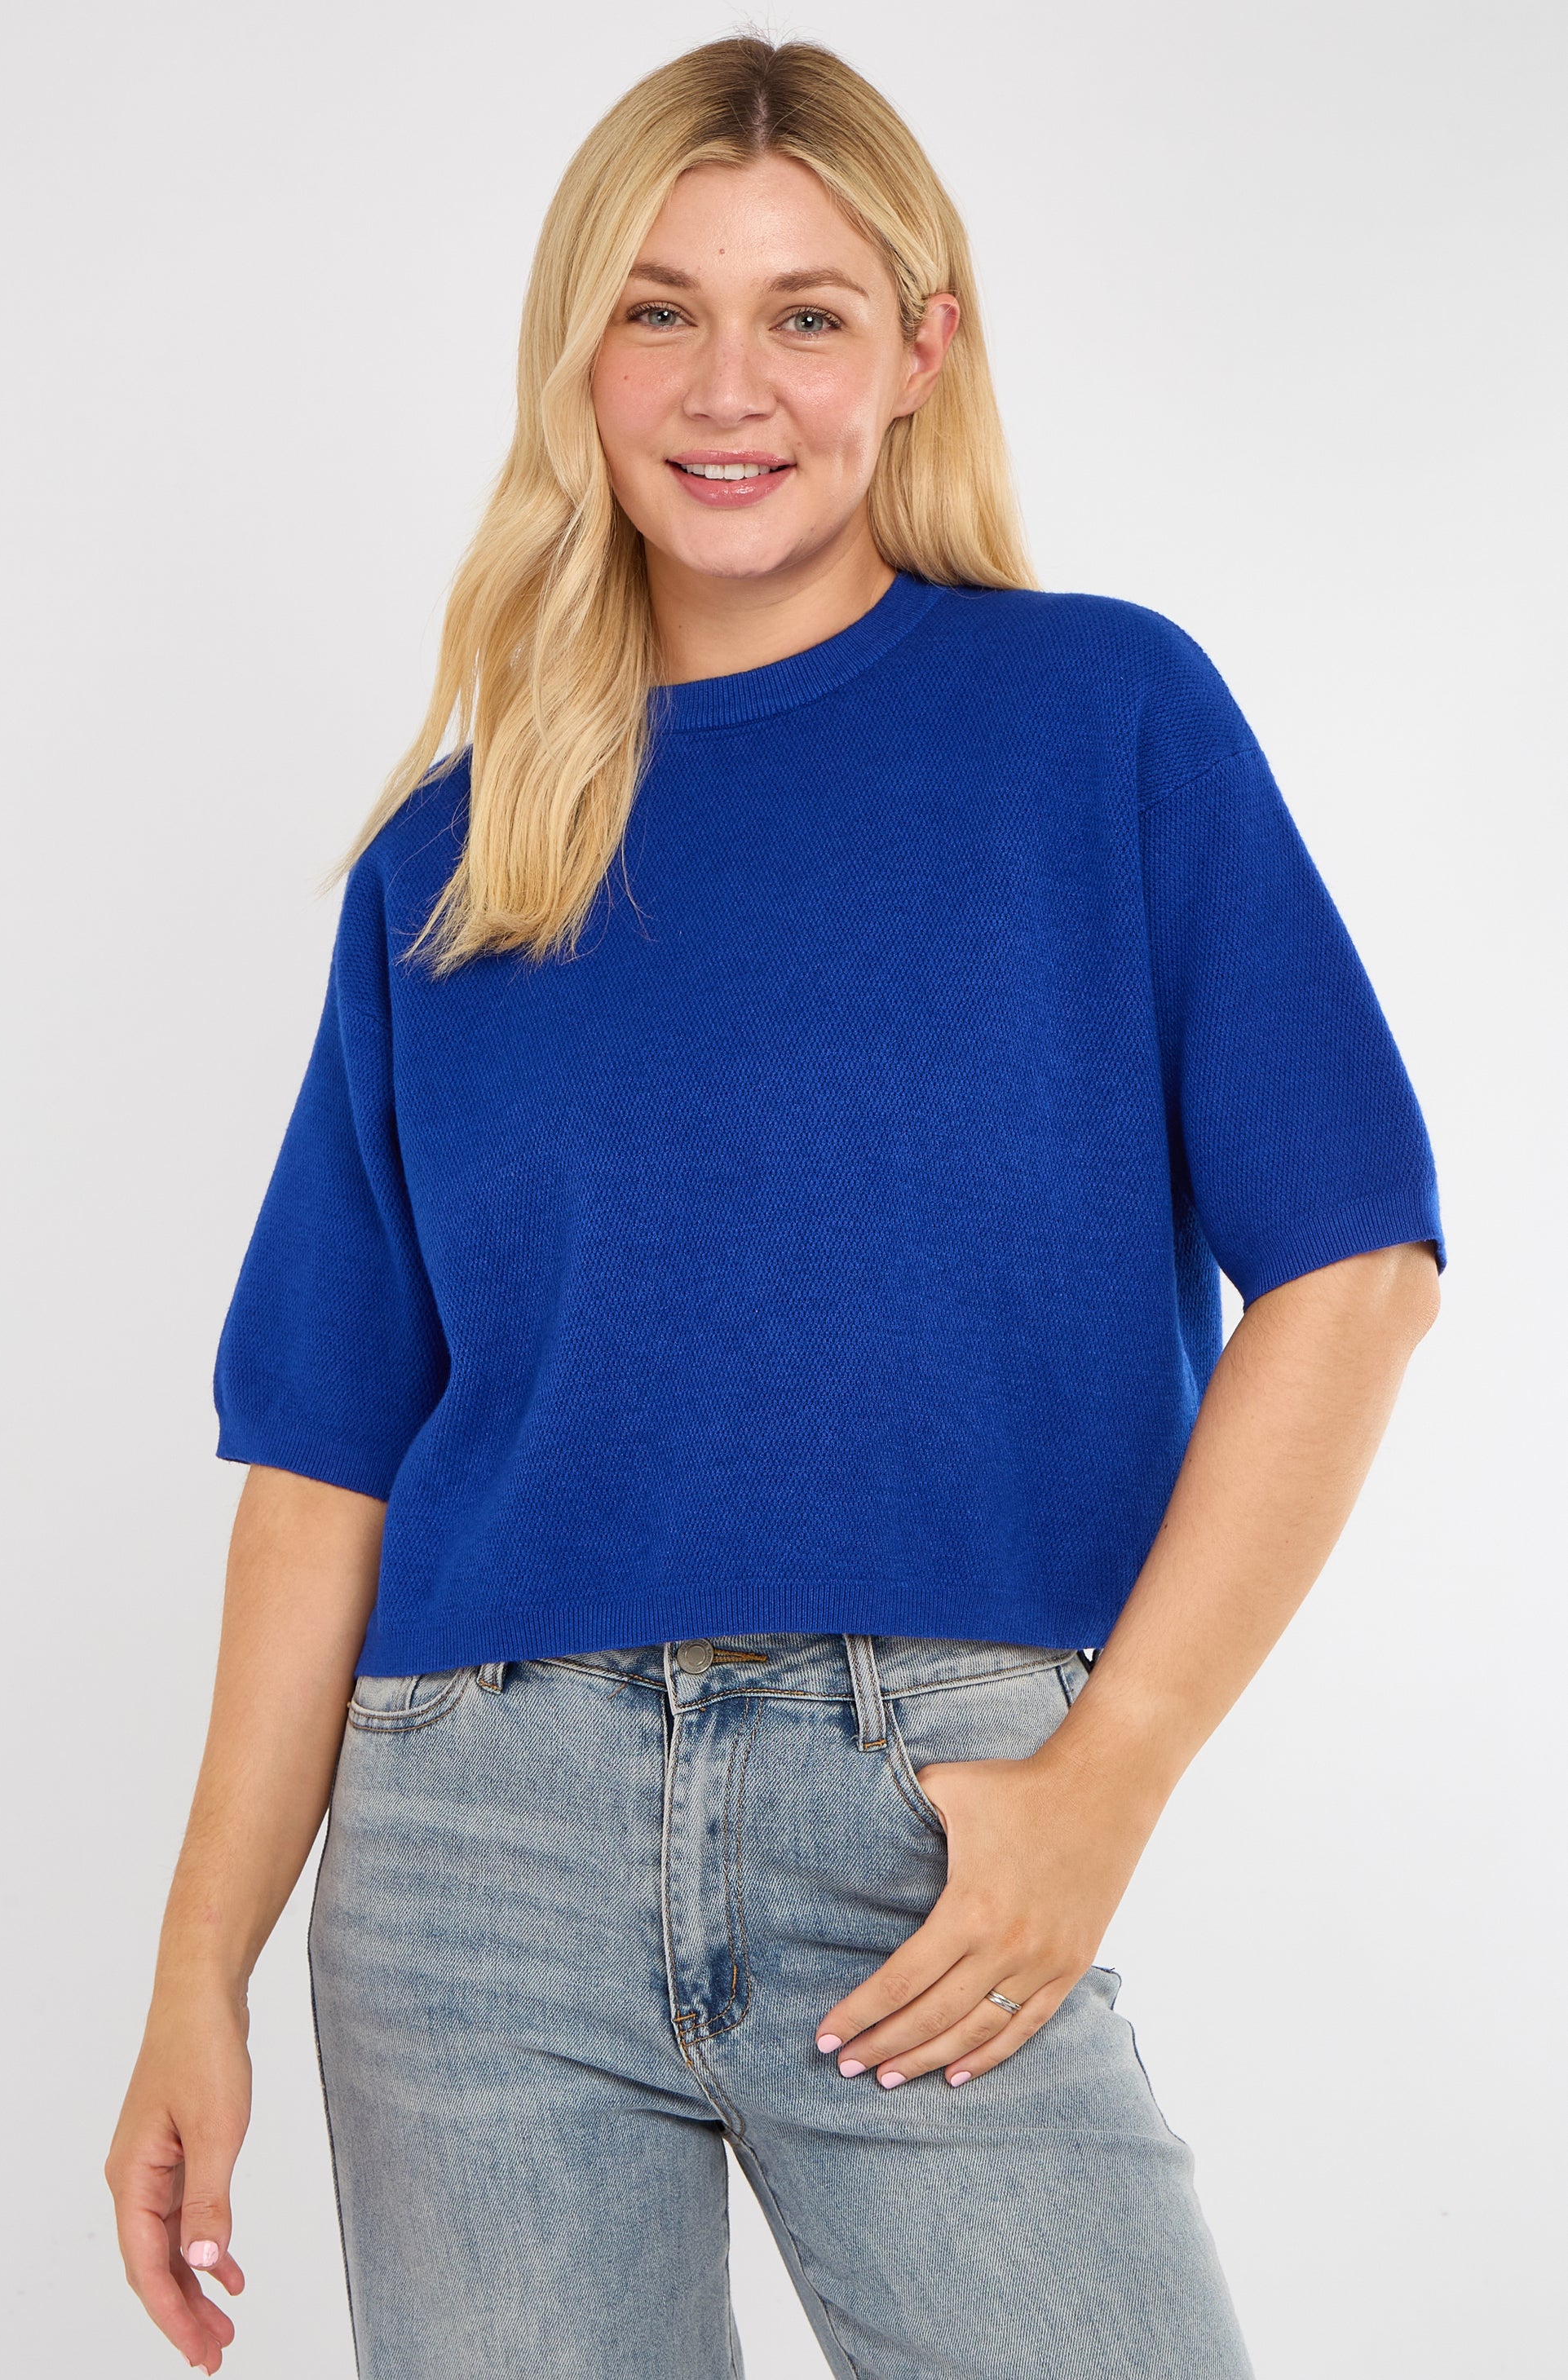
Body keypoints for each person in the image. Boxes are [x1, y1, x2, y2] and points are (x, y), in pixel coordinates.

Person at [106, 35, 1445, 2380]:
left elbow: (1353, 1270)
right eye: (659, 311)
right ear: (577, 357)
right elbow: (320, 1463)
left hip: (929, 1818)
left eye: (804, 314)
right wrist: (192, 1975)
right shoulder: (449, 859)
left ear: (920, 348)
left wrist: (1104, 1782)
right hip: (469, 1858)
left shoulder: (1101, 721)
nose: (728, 388)